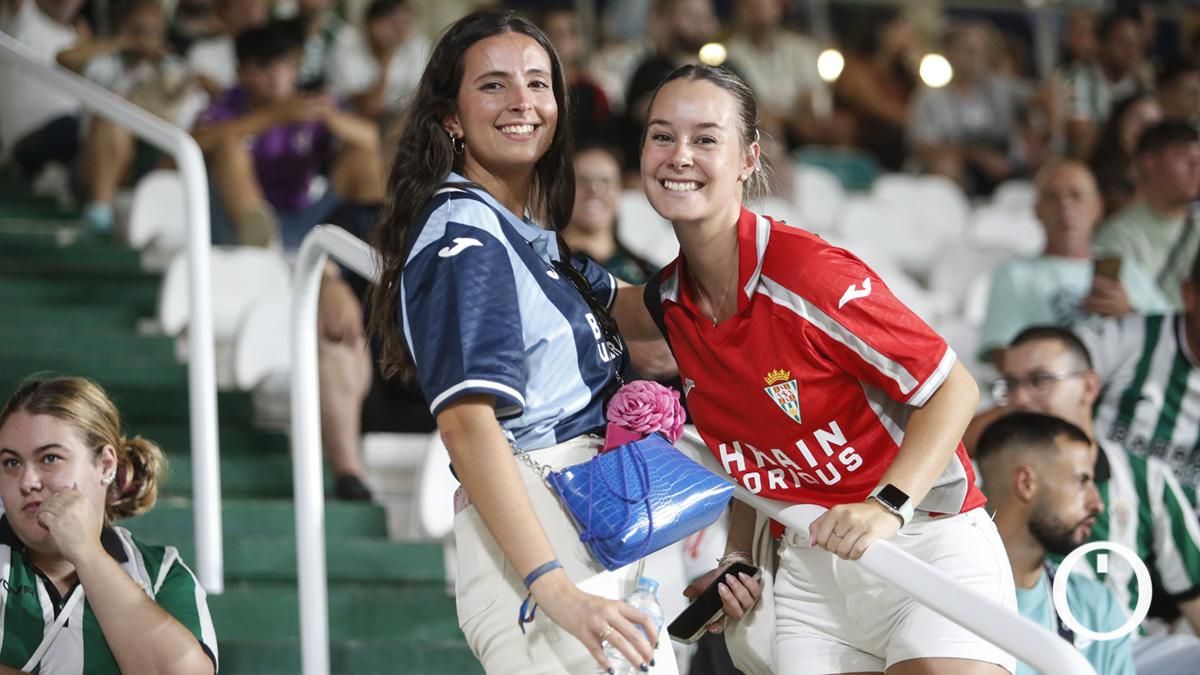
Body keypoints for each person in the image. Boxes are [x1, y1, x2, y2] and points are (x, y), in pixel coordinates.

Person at [635, 64, 1015, 674]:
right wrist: (739, 557)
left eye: (706, 138)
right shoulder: (672, 305)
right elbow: (759, 457)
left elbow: (952, 388)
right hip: (812, 575)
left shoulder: (806, 272)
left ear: (747, 158)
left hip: (924, 543)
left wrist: (887, 505)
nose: (679, 155)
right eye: (662, 136)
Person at [366, 10, 677, 674]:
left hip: (588, 533)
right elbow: (468, 424)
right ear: (450, 117)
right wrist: (556, 587)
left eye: (539, 83)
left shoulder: (524, 236)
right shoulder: (465, 238)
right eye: (494, 85)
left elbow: (638, 309)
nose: (523, 102)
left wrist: (713, 225)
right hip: (546, 553)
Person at [193, 20, 383, 501]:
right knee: (230, 149)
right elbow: (197, 144)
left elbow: (368, 140)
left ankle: (366, 245)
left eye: (287, 67)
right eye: (268, 68)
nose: (280, 77)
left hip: (304, 220)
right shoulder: (231, 106)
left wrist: (328, 120)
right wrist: (272, 117)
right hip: (240, 223)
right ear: (244, 72)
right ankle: (271, 253)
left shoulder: (314, 101)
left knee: (363, 158)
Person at [967, 326, 1200, 637]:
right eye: (1010, 384)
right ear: (1024, 483)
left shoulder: (1146, 477)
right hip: (1019, 647)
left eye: (1040, 381)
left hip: (1130, 651)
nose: (1019, 398)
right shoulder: (985, 479)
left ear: (1089, 387)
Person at [0, 376, 217, 673]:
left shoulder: (162, 573)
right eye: (11, 463)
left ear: (105, 465)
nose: (27, 482)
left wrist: (87, 552)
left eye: (50, 458)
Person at [974, 411, 1135, 675]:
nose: (1097, 503)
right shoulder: (939, 588)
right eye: (1082, 481)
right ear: (1026, 483)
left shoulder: (1095, 608)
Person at [979, 160, 1169, 364]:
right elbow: (1002, 354)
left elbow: (1172, 338)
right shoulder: (1014, 274)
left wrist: (1130, 315)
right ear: (1037, 210)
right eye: (1052, 197)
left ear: (1097, 207)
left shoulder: (1128, 271)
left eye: (1076, 196)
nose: (1065, 206)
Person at [57, 0, 207, 233]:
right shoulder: (104, 61)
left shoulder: (176, 68)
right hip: (94, 165)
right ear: (122, 27)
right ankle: (100, 211)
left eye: (154, 31)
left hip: (152, 164)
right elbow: (63, 59)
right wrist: (124, 41)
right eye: (138, 29)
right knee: (115, 113)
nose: (146, 37)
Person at [908, 21, 1032, 194]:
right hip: (957, 172)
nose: (976, 58)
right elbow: (925, 147)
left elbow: (1043, 95)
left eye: (981, 52)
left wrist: (1049, 134)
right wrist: (978, 156)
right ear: (950, 53)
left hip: (1003, 167)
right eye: (968, 50)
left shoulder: (1001, 88)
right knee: (945, 164)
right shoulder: (931, 97)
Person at [1093, 120, 1200, 309]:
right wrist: (1131, 311)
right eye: (1182, 155)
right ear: (1149, 161)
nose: (1195, 166)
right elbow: (1107, 301)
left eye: (1198, 157)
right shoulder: (1118, 236)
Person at [326, 0, 430, 128]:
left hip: (399, 122)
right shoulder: (347, 43)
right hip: (352, 120)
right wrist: (386, 59)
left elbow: (419, 99)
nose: (402, 31)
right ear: (374, 23)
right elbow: (368, 107)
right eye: (395, 23)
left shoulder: (416, 46)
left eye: (407, 23)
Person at [1088, 92, 1163, 217]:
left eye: (1153, 124)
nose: (1146, 129)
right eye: (1137, 119)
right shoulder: (1093, 171)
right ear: (1118, 123)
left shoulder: (1169, 172)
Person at [185, 0, 270, 96]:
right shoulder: (203, 53)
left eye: (258, 3)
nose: (253, 8)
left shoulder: (281, 54)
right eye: (244, 4)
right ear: (224, 11)